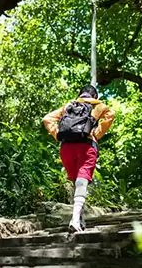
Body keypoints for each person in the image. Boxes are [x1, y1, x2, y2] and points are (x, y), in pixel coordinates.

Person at [43, 85, 115, 233]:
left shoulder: (69, 106)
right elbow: (111, 115)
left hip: (66, 148)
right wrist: (97, 134)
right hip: (86, 146)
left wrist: (58, 135)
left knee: (76, 183)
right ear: (94, 96)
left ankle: (79, 219)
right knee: (82, 182)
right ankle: (75, 220)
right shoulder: (98, 106)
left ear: (80, 94)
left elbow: (47, 119)